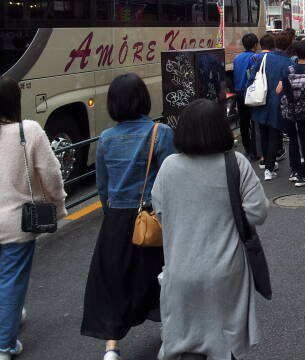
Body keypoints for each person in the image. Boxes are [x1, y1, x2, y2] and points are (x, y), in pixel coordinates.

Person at [152, 99, 268, 360]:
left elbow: (160, 211)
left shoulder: (169, 167)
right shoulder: (235, 164)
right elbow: (258, 212)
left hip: (180, 270)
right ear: (222, 128)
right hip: (226, 270)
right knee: (224, 344)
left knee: (183, 342)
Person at [81, 74, 176, 360]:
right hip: (152, 218)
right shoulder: (162, 134)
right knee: (160, 275)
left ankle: (111, 347)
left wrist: (112, 214)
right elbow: (171, 180)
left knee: (114, 280)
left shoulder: (107, 138)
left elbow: (102, 185)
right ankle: (167, 334)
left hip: (116, 220)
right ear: (143, 99)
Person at [0, 76, 67, 360]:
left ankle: (9, 320)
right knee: (12, 281)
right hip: (16, 223)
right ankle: (4, 344)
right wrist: (57, 204)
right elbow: (51, 174)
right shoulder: (28, 131)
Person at [251, 32, 293, 181]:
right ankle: (269, 168)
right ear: (288, 46)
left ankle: (267, 162)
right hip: (278, 103)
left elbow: (252, 78)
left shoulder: (263, 58)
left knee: (263, 134)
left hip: (261, 101)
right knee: (275, 135)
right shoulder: (289, 63)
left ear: (275, 44)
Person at [277, 39, 305, 186]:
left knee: (293, 140)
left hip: (290, 110)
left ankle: (294, 171)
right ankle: (304, 174)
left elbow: (281, 90)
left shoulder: (288, 69)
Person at [233, 33, 259, 161]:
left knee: (243, 122)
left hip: (239, 92)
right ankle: (255, 149)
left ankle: (247, 148)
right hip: (252, 93)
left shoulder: (237, 58)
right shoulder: (256, 58)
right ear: (255, 44)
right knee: (254, 121)